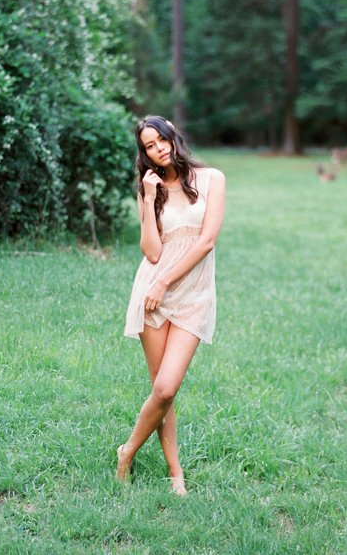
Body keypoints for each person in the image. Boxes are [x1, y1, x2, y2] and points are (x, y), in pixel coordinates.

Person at [116, 115, 226, 495]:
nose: (158, 148)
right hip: (153, 295)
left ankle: (127, 451)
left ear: (173, 136)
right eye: (149, 146)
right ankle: (175, 472)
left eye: (161, 139)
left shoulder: (211, 179)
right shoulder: (150, 189)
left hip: (192, 294)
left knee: (166, 387)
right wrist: (148, 199)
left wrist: (165, 281)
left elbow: (207, 241)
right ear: (144, 154)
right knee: (163, 393)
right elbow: (151, 251)